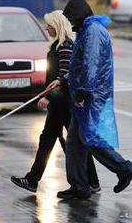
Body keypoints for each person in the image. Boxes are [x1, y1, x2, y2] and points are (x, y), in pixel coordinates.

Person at [48, 0, 132, 199]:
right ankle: (79, 186)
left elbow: (91, 64)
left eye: (70, 19)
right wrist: (63, 80)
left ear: (78, 16)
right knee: (75, 141)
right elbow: (78, 66)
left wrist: (84, 93)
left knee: (89, 137)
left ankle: (124, 168)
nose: (70, 23)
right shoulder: (86, 30)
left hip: (91, 95)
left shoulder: (93, 32)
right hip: (83, 92)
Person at [10, 10, 100, 193]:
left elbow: (63, 77)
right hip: (59, 104)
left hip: (64, 103)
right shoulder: (59, 46)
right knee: (53, 140)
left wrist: (46, 96)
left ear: (57, 26)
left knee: (72, 143)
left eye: (49, 24)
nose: (46, 27)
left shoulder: (65, 46)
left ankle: (92, 180)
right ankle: (89, 181)